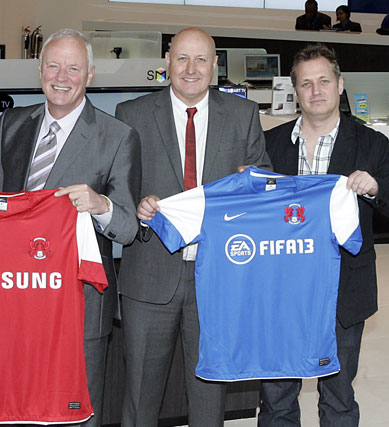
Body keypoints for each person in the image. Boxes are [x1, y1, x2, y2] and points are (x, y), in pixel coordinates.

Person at [0, 28, 141, 427]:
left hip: (80, 304)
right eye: (53, 66)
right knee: (16, 409)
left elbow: (127, 228)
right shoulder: (12, 124)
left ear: (90, 75)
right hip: (15, 298)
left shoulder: (117, 136)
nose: (61, 77)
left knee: (76, 413)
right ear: (40, 71)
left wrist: (101, 205)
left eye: (73, 68)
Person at [114, 27, 271, 427]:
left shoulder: (243, 115)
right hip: (150, 274)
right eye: (182, 58)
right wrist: (138, 205)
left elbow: (264, 185)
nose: (191, 69)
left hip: (218, 279)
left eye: (201, 59)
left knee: (209, 397)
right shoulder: (131, 114)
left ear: (215, 65)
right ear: (167, 61)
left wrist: (252, 184)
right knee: (139, 398)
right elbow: (116, 188)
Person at [258, 43, 389, 426]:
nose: (316, 91)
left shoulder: (370, 143)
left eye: (324, 81)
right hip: (281, 291)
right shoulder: (270, 144)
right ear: (295, 91)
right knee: (276, 399)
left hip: (344, 290)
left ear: (340, 85)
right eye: (306, 83)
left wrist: (375, 187)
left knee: (339, 397)